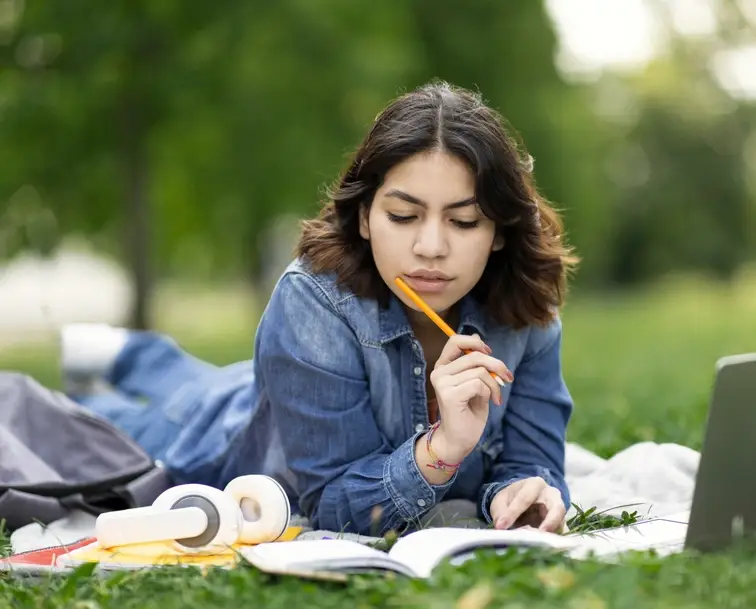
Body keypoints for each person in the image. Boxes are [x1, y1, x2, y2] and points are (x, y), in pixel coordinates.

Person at [61, 80, 579, 537]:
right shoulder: (313, 300)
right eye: (403, 215)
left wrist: (526, 495)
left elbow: (531, 459)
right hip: (218, 433)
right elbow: (332, 504)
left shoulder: (525, 308)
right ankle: (126, 356)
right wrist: (440, 451)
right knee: (108, 422)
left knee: (201, 380)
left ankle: (134, 355)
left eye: (464, 222)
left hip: (270, 385)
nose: (431, 247)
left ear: (498, 234)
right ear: (364, 218)